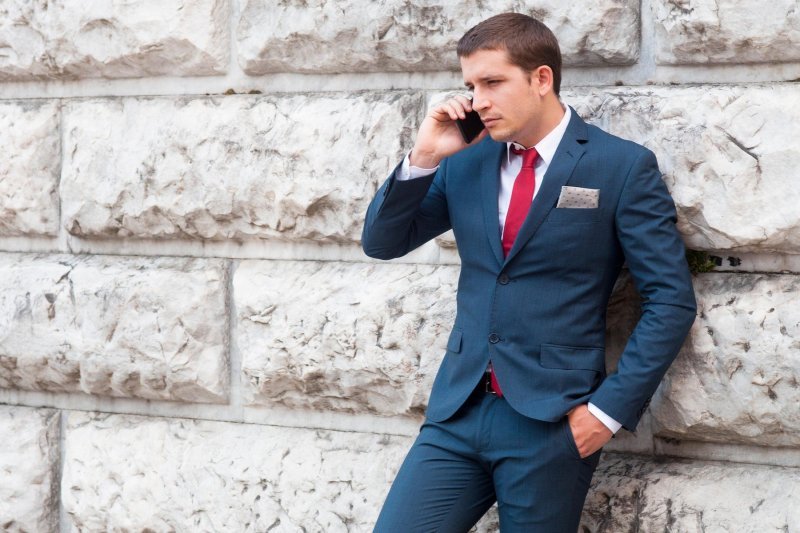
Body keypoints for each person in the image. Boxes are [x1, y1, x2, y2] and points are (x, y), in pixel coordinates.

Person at [361, 12, 696, 533]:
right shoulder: (464, 160)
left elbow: (670, 300)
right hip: (457, 413)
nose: (478, 101)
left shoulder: (620, 167)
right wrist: (425, 155)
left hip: (551, 424)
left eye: (492, 82)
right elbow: (383, 242)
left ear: (541, 79)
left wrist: (605, 414)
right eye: (471, 86)